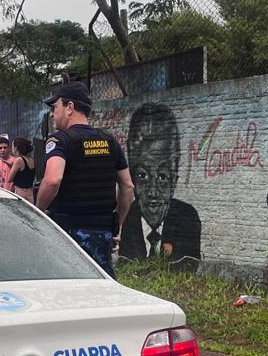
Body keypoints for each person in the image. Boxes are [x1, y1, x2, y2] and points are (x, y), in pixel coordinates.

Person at [35, 81, 134, 277]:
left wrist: (38, 214)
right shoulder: (110, 141)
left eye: (55, 108)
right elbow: (128, 186)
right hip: (103, 231)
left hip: (69, 234)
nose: (53, 115)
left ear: (70, 107)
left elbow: (53, 179)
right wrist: (118, 226)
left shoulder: (59, 140)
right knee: (100, 284)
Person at [118, 102, 202, 270]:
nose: (153, 191)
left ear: (174, 181)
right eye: (143, 176)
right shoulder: (127, 218)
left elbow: (186, 269)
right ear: (131, 178)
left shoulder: (187, 218)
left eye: (163, 177)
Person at [7, 137, 35, 202]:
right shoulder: (31, 159)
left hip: (20, 193)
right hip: (30, 193)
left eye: (12, 146)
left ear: (16, 148)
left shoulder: (19, 160)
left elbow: (10, 179)